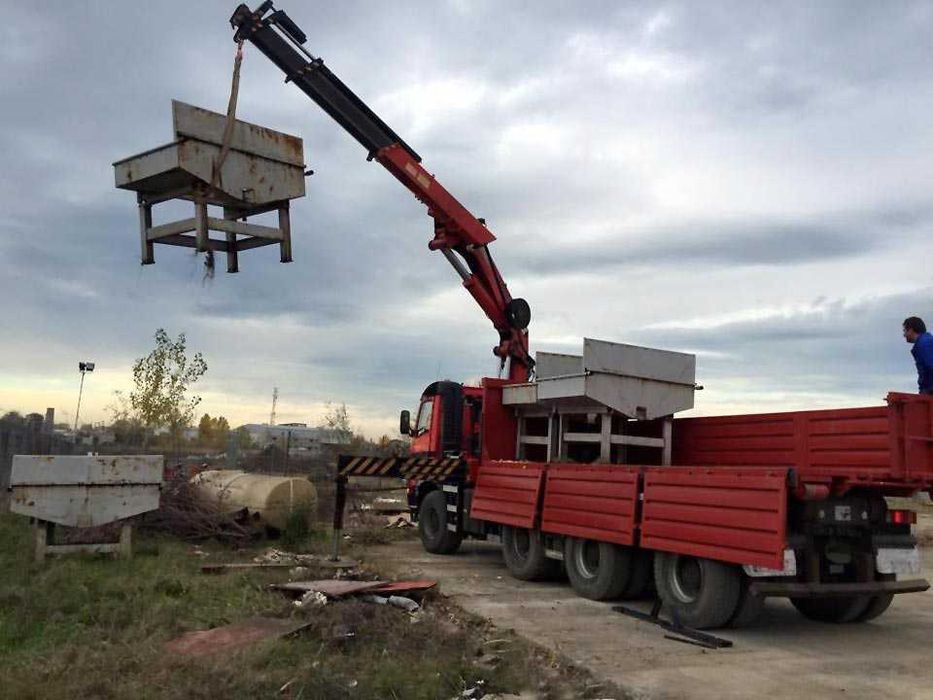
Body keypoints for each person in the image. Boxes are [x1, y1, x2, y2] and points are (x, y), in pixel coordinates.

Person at [903, 316, 933, 395]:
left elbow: (930, 366)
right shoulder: (927, 341)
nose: (904, 335)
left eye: (905, 331)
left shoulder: (924, 344)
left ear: (911, 330)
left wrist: (926, 391)